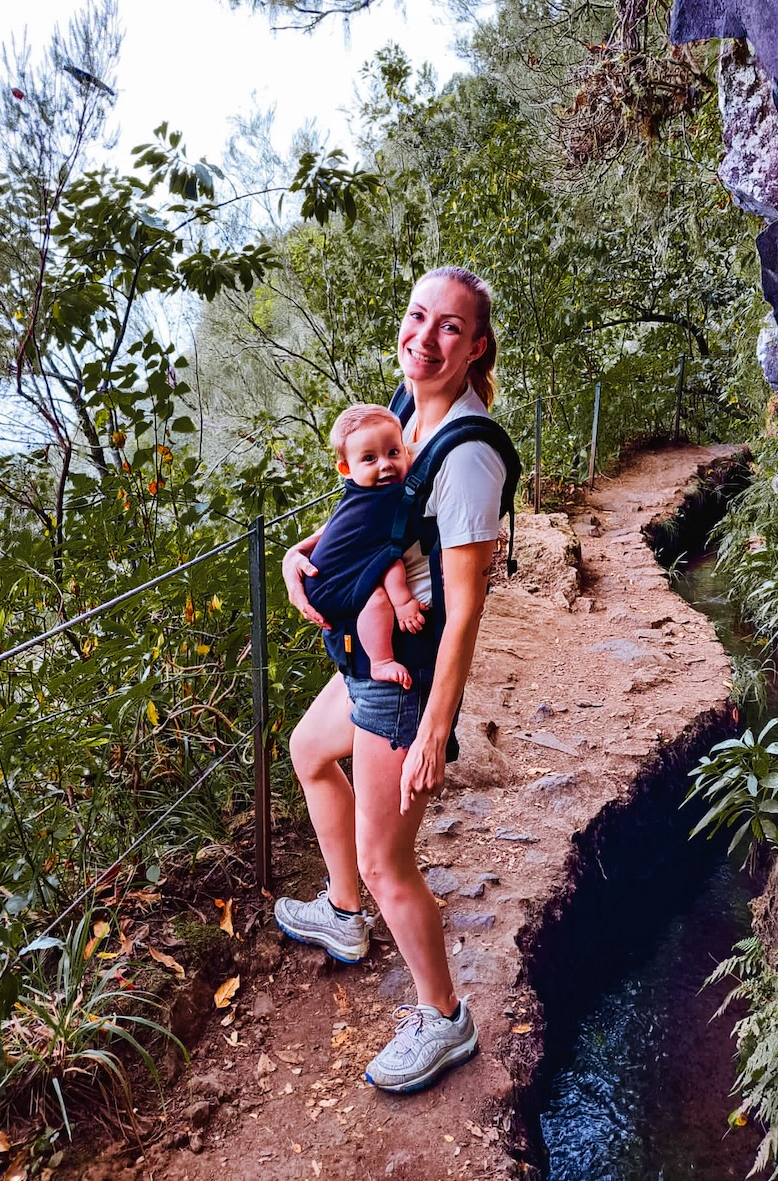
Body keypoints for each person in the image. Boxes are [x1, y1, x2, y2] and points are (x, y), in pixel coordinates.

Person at [274, 265, 507, 1094]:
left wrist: (436, 729)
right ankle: (343, 917)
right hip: (375, 662)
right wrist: (306, 554)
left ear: (476, 346)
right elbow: (362, 504)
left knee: (388, 860)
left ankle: (444, 1017)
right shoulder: (405, 411)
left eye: (450, 327)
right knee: (308, 748)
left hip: (407, 679)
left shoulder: (469, 456)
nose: (426, 336)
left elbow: (467, 604)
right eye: (418, 316)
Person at [305, 404, 425, 688]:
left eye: (393, 452)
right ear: (346, 469)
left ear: (406, 452)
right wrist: (403, 602)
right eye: (369, 458)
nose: (385, 464)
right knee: (378, 598)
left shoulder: (363, 494)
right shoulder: (384, 501)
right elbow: (387, 558)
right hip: (328, 586)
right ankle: (381, 661)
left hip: (323, 578)